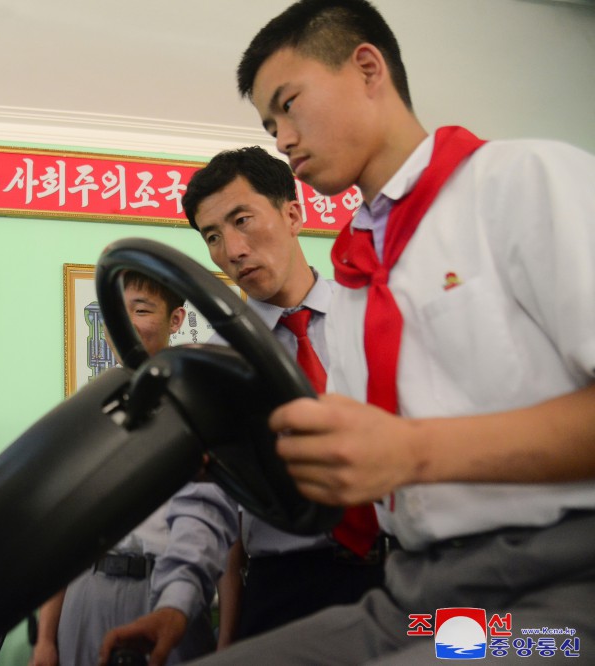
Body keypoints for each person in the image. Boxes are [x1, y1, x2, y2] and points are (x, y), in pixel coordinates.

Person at [165, 1, 594, 663]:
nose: (282, 138)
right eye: (268, 124)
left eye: (288, 104)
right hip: (414, 600)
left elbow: (405, 451)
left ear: (368, 69)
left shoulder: (524, 181)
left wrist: (413, 451)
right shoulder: (363, 275)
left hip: (554, 597)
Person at [100, 146, 385, 664]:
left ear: (293, 213)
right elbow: (205, 502)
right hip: (285, 588)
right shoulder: (213, 367)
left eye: (242, 220)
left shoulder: (373, 316)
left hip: (405, 573)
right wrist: (177, 604)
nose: (231, 249)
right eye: (212, 236)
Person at [31, 271, 238, 666]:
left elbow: (224, 536)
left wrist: (227, 637)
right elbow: (65, 537)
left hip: (167, 597)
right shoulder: (88, 412)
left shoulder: (201, 409)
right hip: (87, 594)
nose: (124, 324)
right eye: (116, 312)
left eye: (141, 310)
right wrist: (45, 639)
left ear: (175, 321)